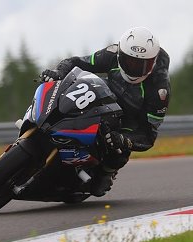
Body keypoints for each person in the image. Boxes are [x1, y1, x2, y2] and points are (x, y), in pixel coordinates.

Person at [39, 27, 170, 197]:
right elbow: (76, 62)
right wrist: (59, 72)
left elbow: (148, 135)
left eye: (142, 64)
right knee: (75, 87)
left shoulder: (160, 91)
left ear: (153, 62)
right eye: (130, 61)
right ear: (120, 55)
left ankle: (107, 172)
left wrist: (125, 140)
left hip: (128, 117)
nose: (135, 69)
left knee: (113, 158)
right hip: (105, 94)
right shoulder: (111, 54)